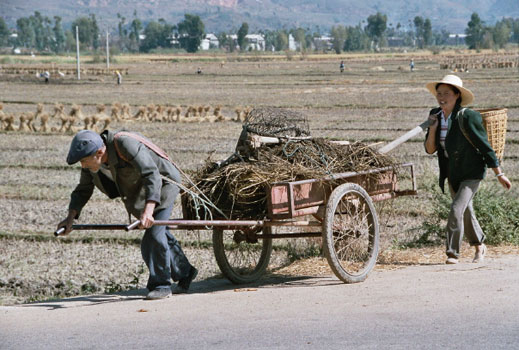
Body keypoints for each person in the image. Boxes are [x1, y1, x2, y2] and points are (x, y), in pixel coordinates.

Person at [57, 130, 198, 299]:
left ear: (100, 152)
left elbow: (151, 174)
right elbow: (83, 190)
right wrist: (70, 218)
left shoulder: (124, 145)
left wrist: (148, 211)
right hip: (142, 188)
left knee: (153, 236)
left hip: (163, 184)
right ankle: (185, 272)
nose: (83, 165)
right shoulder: (91, 162)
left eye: (84, 161)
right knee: (160, 232)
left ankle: (161, 285)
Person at [424, 75, 512, 264]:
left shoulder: (468, 116)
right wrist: (433, 128)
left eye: (446, 93)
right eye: (439, 93)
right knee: (466, 211)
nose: (441, 97)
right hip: (452, 172)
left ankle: (452, 253)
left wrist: (499, 174)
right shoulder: (435, 115)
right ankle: (480, 246)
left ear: (457, 95)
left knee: (456, 209)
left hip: (471, 172)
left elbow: (485, 146)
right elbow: (430, 149)